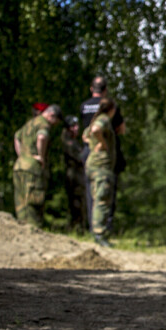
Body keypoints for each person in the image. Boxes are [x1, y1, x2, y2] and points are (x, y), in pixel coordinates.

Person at [79, 76, 126, 234]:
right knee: (106, 190)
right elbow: (121, 129)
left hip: (88, 152)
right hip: (103, 154)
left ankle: (93, 226)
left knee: (90, 191)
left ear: (92, 89)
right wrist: (104, 143)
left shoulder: (84, 106)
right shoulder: (108, 109)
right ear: (105, 90)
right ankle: (105, 227)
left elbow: (84, 133)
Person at [12, 104, 63, 226]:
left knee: (21, 203)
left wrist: (22, 155)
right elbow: (42, 137)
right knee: (33, 203)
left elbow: (16, 137)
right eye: (55, 122)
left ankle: (22, 231)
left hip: (19, 166)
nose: (53, 125)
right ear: (51, 115)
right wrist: (40, 156)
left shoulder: (30, 123)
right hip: (32, 169)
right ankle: (33, 230)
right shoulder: (43, 124)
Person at [83, 98, 118, 247]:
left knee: (97, 197)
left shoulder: (94, 119)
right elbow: (95, 130)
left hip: (92, 164)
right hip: (101, 166)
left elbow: (85, 135)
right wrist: (103, 144)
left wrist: (93, 145)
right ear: (112, 109)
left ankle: (96, 231)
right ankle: (99, 234)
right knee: (102, 199)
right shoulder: (103, 119)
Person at [61, 115, 87, 231]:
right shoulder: (68, 141)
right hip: (74, 175)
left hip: (77, 174)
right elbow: (80, 157)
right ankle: (77, 226)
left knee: (80, 201)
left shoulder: (72, 141)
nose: (76, 128)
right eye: (73, 126)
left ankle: (80, 225)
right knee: (76, 202)